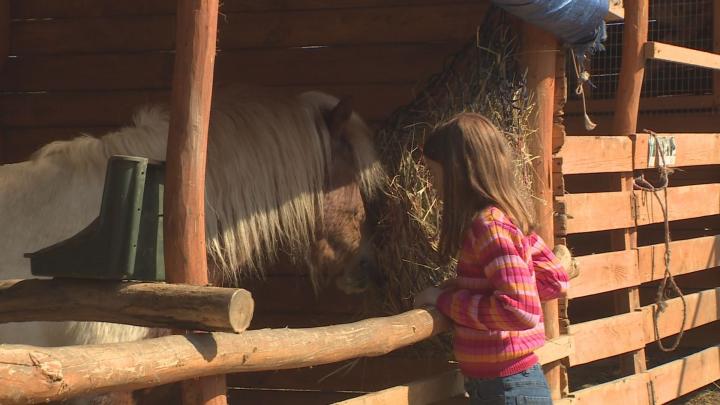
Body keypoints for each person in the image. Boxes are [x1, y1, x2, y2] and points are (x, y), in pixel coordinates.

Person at [413, 112, 571, 404]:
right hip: (511, 384)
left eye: (436, 175)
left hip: (506, 389)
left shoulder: (489, 227)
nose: (434, 187)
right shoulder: (507, 218)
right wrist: (477, 288)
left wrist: (443, 301)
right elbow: (554, 279)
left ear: (458, 172)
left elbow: (520, 311)